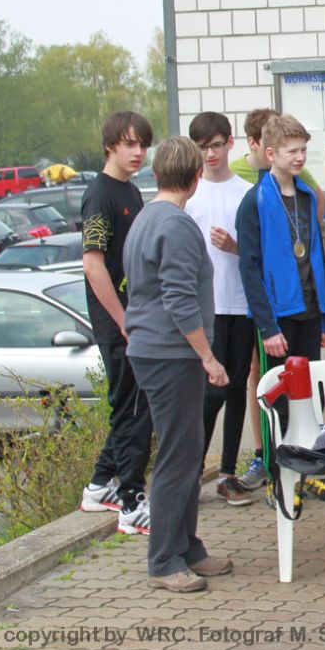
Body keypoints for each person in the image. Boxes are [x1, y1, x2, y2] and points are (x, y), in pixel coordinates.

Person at [124, 136, 233, 593]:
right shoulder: (177, 225)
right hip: (171, 354)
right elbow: (179, 300)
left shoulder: (147, 217)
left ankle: (188, 547)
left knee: (188, 453)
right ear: (195, 177)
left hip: (153, 349)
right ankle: (165, 559)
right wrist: (208, 356)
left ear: (156, 174)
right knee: (177, 456)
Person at [235, 114, 325, 505]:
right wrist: (267, 327)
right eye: (292, 151)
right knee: (276, 401)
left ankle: (308, 473)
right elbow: (250, 268)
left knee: (308, 397)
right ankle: (278, 480)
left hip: (309, 310)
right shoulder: (255, 201)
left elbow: (315, 257)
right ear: (270, 153)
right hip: (277, 318)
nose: (299, 157)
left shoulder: (308, 197)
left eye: (303, 150)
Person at [78, 110, 156, 537]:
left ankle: (98, 486)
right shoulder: (100, 195)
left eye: (142, 144)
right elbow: (93, 264)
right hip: (119, 323)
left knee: (129, 405)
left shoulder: (131, 191)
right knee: (135, 411)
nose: (138, 152)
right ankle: (131, 502)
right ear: (110, 146)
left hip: (136, 317)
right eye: (129, 144)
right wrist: (123, 320)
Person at [184, 112, 255, 507]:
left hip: (240, 303)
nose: (210, 154)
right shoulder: (190, 195)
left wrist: (235, 247)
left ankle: (228, 474)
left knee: (237, 387)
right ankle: (192, 470)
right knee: (211, 391)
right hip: (205, 307)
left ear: (230, 144)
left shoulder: (247, 192)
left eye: (215, 145)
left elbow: (258, 252)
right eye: (202, 148)